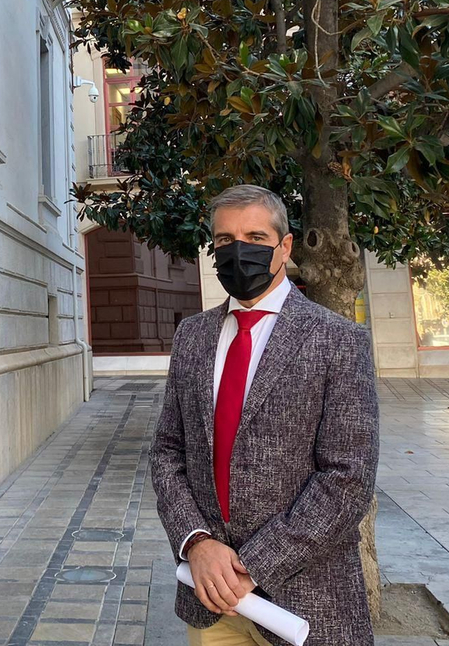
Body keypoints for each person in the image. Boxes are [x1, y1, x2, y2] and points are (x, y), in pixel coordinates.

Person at [151, 184, 379, 646]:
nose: (239, 252)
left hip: (308, 605)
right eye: (224, 241)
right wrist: (196, 542)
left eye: (255, 238)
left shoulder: (338, 339)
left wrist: (251, 566)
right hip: (212, 605)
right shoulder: (192, 336)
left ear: (285, 246)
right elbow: (167, 453)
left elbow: (347, 478)